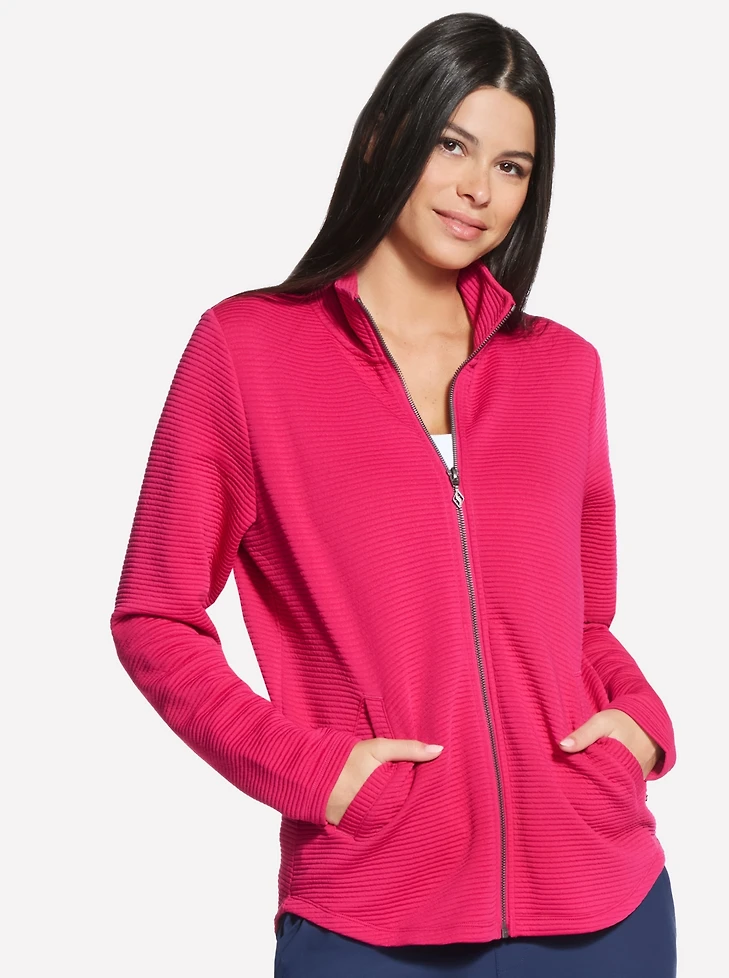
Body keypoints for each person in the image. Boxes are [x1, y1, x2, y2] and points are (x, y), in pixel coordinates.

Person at [110, 11, 678, 977]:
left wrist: (641, 727)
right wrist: (318, 774)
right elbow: (154, 616)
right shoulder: (247, 353)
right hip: (372, 910)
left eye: (512, 165)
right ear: (383, 137)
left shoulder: (564, 370)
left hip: (604, 901)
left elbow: (581, 624)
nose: (478, 188)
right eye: (452, 144)